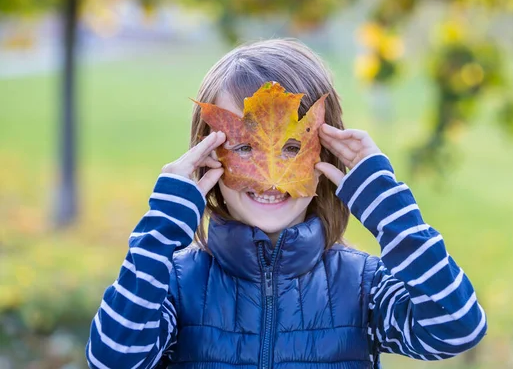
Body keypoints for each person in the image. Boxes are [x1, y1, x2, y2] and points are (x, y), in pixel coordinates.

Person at [86, 39, 487, 369]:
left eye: (293, 147)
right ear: (206, 160)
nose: (270, 175)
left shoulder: (364, 287)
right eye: (244, 147)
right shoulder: (173, 286)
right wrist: (162, 226)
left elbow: (456, 329)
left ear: (325, 157)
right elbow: (113, 361)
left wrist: (385, 204)